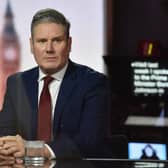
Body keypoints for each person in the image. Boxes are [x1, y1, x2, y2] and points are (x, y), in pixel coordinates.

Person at [0, 8, 109, 163]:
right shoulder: (16, 83)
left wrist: (33, 149)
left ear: (69, 44)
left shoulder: (93, 83)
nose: (49, 49)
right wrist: (5, 147)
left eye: (57, 40)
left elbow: (89, 141)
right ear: (32, 45)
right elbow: (4, 133)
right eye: (42, 41)